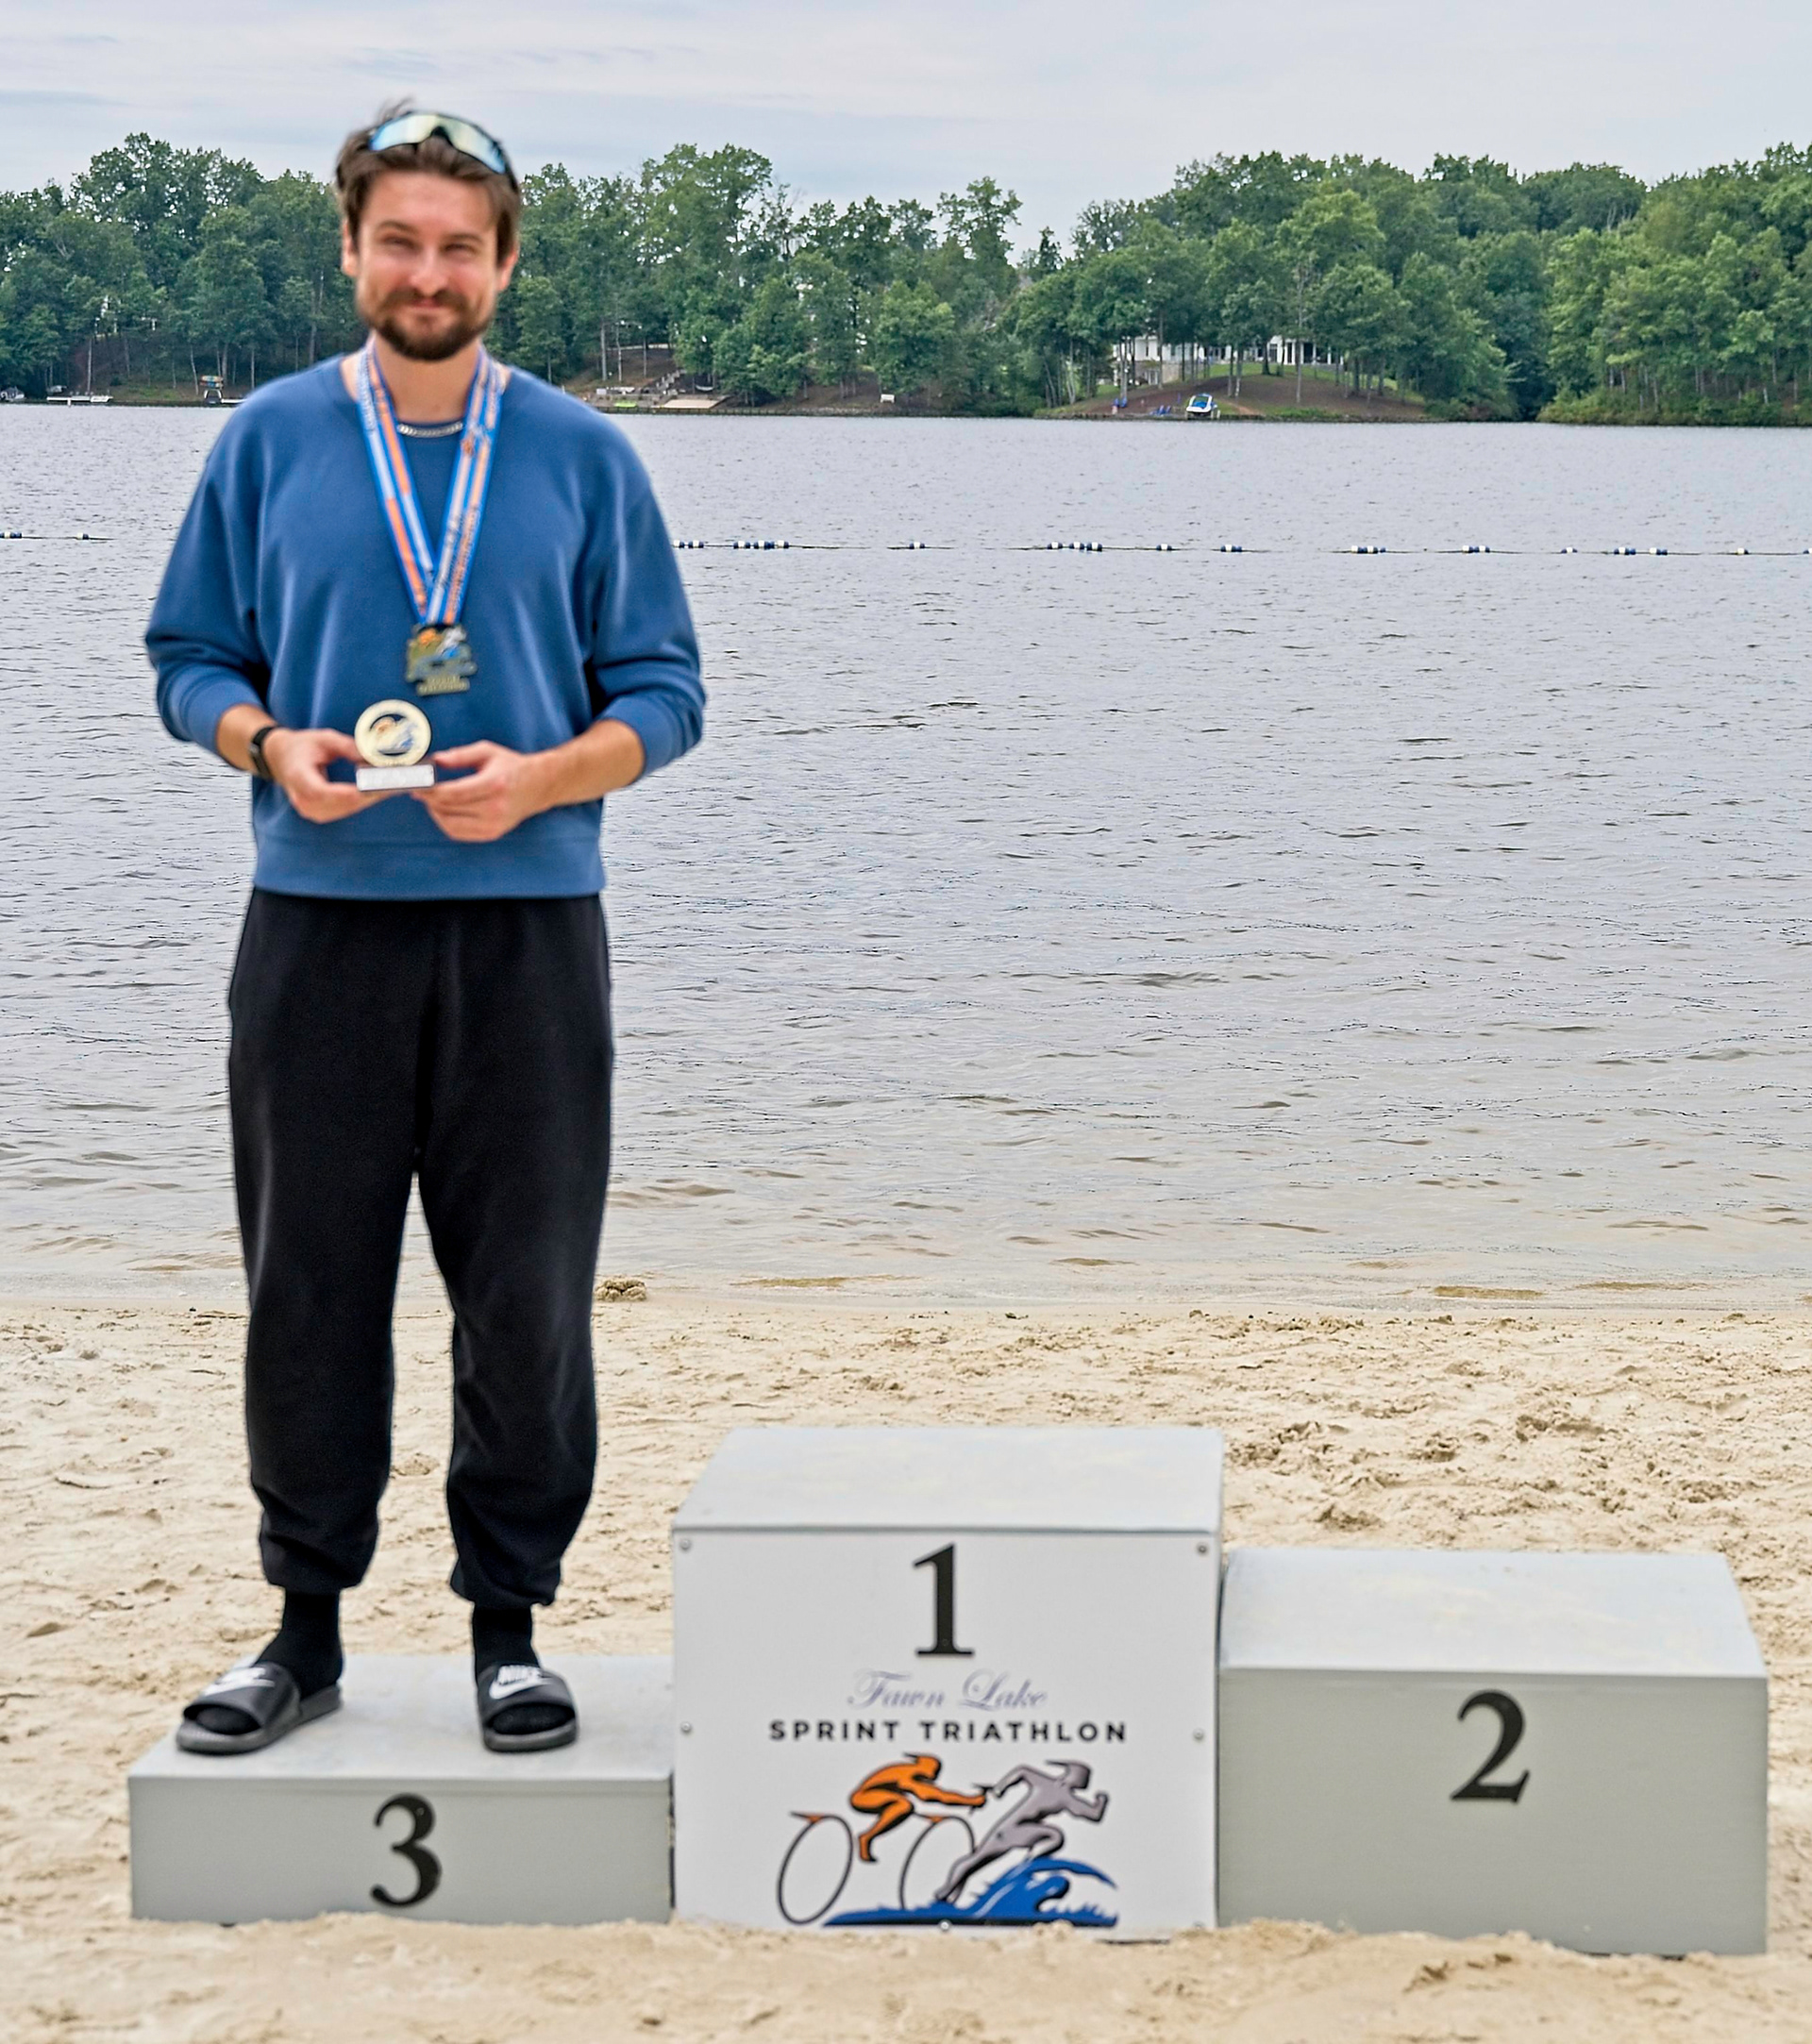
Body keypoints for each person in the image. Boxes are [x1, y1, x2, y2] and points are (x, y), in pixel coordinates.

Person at [146, 106, 704, 1757]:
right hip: (316, 930)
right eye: (399, 240)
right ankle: (304, 1630)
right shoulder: (268, 440)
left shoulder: (585, 457)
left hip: (527, 937)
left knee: (526, 1295)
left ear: (505, 266)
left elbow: (666, 695)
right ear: (351, 251)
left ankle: (509, 1630)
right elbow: (189, 657)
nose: (429, 272)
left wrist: (543, 779)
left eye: (461, 246)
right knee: (307, 1288)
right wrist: (267, 744)